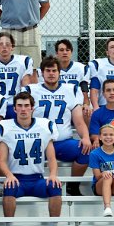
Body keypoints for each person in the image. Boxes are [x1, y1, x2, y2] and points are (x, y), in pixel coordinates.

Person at [0, 92, 63, 226]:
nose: (23, 109)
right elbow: (1, 160)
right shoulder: (5, 128)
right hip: (17, 178)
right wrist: (9, 175)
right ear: (14, 108)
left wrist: (53, 175)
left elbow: (51, 157)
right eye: (19, 106)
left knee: (55, 185)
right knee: (9, 187)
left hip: (37, 178)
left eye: (26, 105)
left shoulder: (44, 126)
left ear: (32, 108)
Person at [25, 56, 92, 197]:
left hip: (63, 142)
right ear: (42, 73)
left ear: (59, 72)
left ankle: (73, 186)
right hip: (38, 141)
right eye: (48, 70)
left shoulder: (71, 90)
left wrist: (86, 137)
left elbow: (78, 120)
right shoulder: (30, 90)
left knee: (86, 150)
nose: (51, 73)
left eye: (54, 70)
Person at [52, 38, 91, 119]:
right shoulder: (51, 69)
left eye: (67, 50)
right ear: (56, 53)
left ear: (71, 52)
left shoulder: (81, 68)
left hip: (76, 103)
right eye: (61, 50)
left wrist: (86, 104)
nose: (65, 52)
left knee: (87, 111)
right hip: (58, 102)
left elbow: (84, 90)